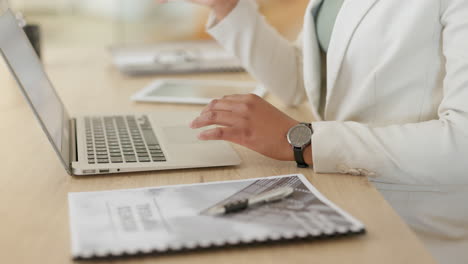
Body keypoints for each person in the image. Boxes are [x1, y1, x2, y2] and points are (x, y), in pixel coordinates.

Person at [159, 0, 468, 263]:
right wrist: (228, 6)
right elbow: (302, 80)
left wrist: (302, 140)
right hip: (341, 194)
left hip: (413, 230)